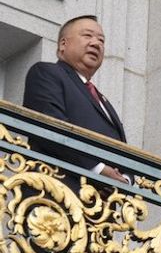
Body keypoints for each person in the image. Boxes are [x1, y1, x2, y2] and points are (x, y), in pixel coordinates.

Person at [22, 15, 127, 183]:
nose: (96, 43)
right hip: (57, 193)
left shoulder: (104, 101)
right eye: (87, 36)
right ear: (63, 44)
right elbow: (50, 127)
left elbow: (123, 150)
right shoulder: (46, 73)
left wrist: (127, 179)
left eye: (101, 40)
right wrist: (98, 168)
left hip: (105, 203)